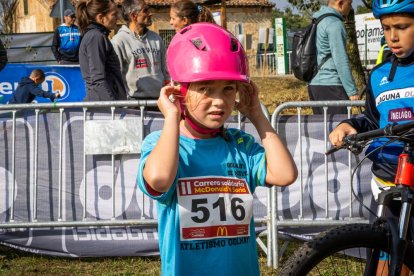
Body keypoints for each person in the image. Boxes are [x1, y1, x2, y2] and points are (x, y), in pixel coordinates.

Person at [137, 23, 297, 276]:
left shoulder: (240, 144)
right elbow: (158, 178)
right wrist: (171, 117)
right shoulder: (161, 143)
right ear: (179, 91)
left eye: (228, 89)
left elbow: (285, 174)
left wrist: (256, 114)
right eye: (205, 89)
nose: (219, 101)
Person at [329, 0, 414, 273]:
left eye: (402, 27)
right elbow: (372, 119)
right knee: (385, 258)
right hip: (389, 179)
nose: (393, 37)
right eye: (386, 28)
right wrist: (349, 125)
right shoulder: (379, 75)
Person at [111, 0, 170, 100]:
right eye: (145, 10)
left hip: (159, 101)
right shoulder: (119, 41)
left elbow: (165, 70)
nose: (150, 13)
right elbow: (116, 76)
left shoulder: (156, 38)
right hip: (134, 103)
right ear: (133, 16)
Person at [308, 0, 358, 114]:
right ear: (340, 4)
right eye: (349, 4)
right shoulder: (335, 24)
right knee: (339, 128)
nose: (350, 8)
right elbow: (340, 59)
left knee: (322, 128)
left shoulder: (317, 21)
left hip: (314, 84)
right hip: (331, 84)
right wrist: (352, 91)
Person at [76, 0, 127, 101]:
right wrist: (113, 106)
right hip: (104, 107)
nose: (117, 18)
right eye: (114, 14)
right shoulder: (95, 37)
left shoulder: (97, 36)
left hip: (105, 104)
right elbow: (98, 79)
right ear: (100, 18)